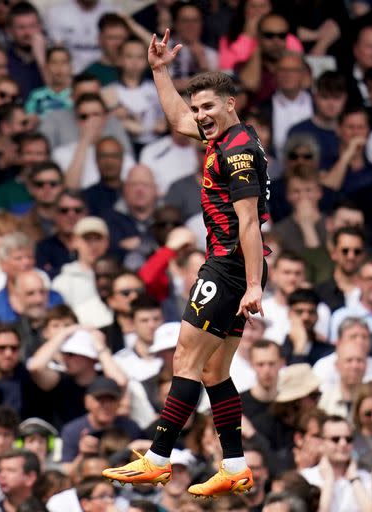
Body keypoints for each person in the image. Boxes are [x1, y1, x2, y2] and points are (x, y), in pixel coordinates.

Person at [102, 30, 272, 497]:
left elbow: (250, 222)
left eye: (208, 108)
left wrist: (252, 284)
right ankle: (235, 465)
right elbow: (177, 120)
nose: (199, 117)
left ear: (230, 104)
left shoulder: (236, 153)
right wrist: (159, 72)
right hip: (235, 267)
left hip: (230, 267)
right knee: (215, 371)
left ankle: (157, 459)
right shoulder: (235, 136)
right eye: (198, 109)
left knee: (185, 359)